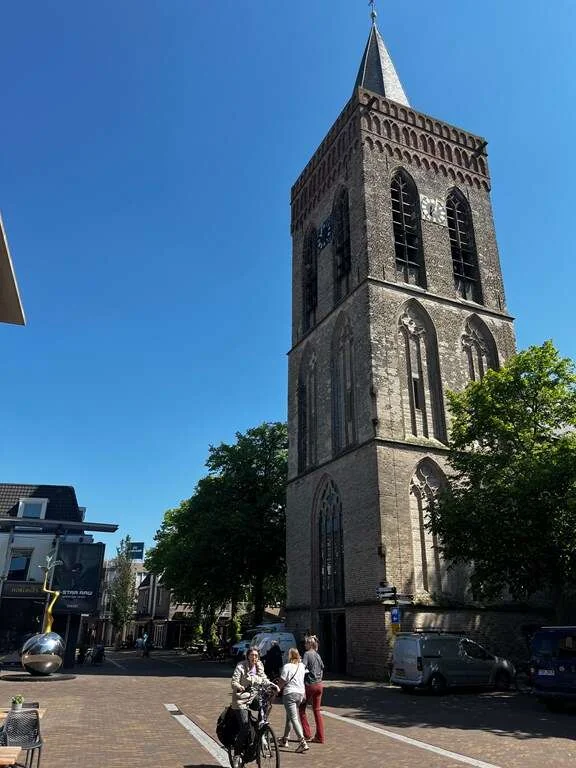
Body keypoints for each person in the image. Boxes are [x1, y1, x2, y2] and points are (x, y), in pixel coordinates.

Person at [230, 647, 277, 768]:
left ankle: (261, 728)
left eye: (256, 655)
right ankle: (237, 754)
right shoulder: (241, 666)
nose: (254, 658)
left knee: (266, 703)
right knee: (245, 726)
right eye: (252, 655)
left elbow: (264, 678)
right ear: (247, 656)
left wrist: (273, 685)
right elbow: (233, 681)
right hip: (241, 699)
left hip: (254, 697)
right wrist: (239, 686)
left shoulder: (259, 665)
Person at [278, 648, 308, 753]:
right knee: (289, 718)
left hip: (290, 694)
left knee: (294, 718)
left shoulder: (287, 666)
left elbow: (282, 680)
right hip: (300, 694)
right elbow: (303, 679)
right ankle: (285, 739)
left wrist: (277, 689)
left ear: (289, 656)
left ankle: (302, 742)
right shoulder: (302, 666)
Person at [299, 634, 325, 743]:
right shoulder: (317, 655)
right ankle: (320, 736)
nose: (304, 644)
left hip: (310, 684)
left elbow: (302, 668)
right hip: (319, 684)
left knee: (301, 709)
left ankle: (307, 734)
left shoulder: (307, 654)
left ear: (310, 644)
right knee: (317, 710)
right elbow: (322, 667)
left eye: (306, 643)